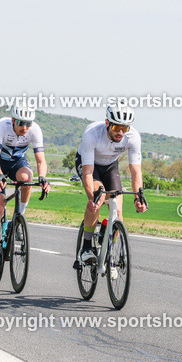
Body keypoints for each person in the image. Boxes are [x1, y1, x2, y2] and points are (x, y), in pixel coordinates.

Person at [76, 102, 148, 264]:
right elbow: (87, 172)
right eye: (116, 128)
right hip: (89, 164)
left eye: (125, 128)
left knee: (118, 213)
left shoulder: (133, 137)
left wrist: (138, 197)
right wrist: (92, 199)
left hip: (110, 165)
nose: (121, 133)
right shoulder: (92, 134)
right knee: (99, 196)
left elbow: (136, 171)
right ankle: (87, 246)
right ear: (107, 123)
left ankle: (107, 243)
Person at [0, 104, 50, 279]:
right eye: (21, 123)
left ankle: (19, 218)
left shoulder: (34, 130)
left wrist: (43, 177)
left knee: (27, 181)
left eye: (27, 124)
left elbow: (40, 159)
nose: (24, 128)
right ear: (13, 120)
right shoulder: (2, 125)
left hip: (17, 162)